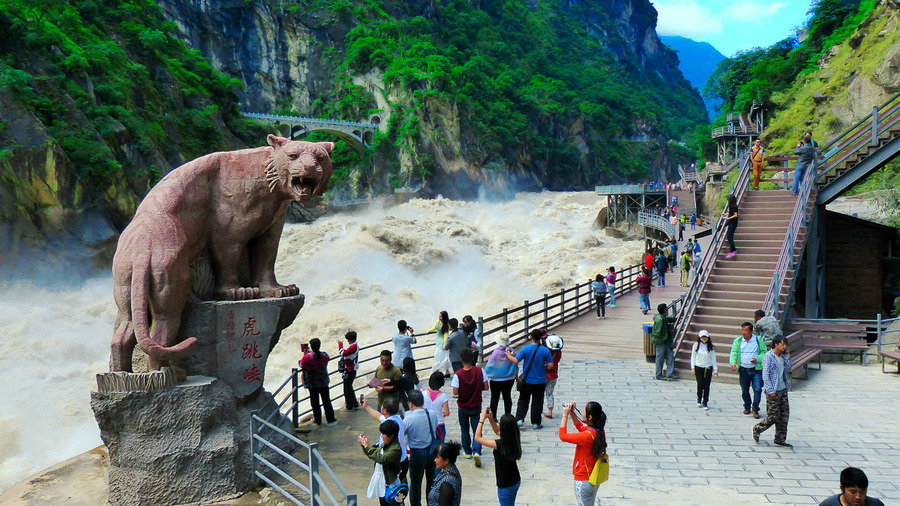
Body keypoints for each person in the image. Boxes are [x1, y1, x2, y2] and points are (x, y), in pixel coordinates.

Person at [559, 401, 607, 506]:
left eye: (584, 412)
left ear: (589, 417)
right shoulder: (599, 431)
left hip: (583, 480)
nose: (583, 414)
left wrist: (565, 415)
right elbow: (581, 427)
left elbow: (563, 436)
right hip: (593, 477)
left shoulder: (587, 437)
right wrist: (572, 413)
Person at [474, 409, 522, 506]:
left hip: (505, 485)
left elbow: (477, 438)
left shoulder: (499, 444)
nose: (498, 425)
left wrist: (481, 420)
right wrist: (491, 419)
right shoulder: (514, 437)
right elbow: (497, 431)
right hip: (515, 480)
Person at [508, 329, 553, 430]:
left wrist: (508, 355)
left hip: (527, 380)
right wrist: (543, 367)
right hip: (540, 380)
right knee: (537, 402)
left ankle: (519, 419)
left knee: (523, 400)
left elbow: (515, 361)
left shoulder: (525, 349)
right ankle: (536, 423)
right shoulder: (545, 350)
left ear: (531, 337)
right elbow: (550, 365)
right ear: (540, 338)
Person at [752, 335, 792, 447]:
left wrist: (788, 356)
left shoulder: (783, 357)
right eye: (782, 344)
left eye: (785, 344)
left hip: (782, 389)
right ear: (776, 344)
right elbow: (766, 375)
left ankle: (780, 438)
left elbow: (788, 370)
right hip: (773, 391)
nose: (784, 346)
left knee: (784, 415)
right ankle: (758, 428)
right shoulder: (769, 357)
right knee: (773, 416)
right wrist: (770, 390)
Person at [403, 390, 441, 506]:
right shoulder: (432, 414)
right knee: (431, 482)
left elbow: (401, 435)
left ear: (410, 404)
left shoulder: (408, 419)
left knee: (415, 484)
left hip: (417, 454)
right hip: (432, 452)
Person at [451, 348, 488, 465]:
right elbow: (486, 387)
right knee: (477, 428)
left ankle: (467, 451)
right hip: (476, 406)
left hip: (463, 407)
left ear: (461, 360)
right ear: (472, 359)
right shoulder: (480, 371)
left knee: (464, 429)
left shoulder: (458, 375)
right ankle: (477, 450)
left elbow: (455, 392)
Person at [362, 396, 410, 482]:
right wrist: (366, 406)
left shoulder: (390, 425)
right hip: (402, 460)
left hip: (394, 463)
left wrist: (366, 446)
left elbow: (382, 458)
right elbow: (378, 416)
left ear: (385, 411)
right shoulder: (397, 418)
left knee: (391, 488)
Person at [360, 419, 403, 506]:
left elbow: (382, 458)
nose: (382, 436)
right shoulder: (386, 445)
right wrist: (364, 446)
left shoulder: (395, 449)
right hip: (384, 484)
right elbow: (375, 455)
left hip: (391, 486)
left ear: (391, 436)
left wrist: (367, 447)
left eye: (384, 434)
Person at [729, 322, 767, 419]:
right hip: (743, 369)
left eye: (745, 330)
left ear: (751, 331)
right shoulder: (738, 341)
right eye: (742, 330)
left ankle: (755, 408)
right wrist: (733, 363)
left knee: (757, 389)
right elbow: (733, 353)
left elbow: (764, 352)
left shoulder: (758, 340)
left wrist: (757, 359)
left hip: (756, 369)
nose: (743, 332)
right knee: (744, 390)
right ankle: (747, 405)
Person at [299, 338, 337, 426]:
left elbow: (301, 364)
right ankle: (331, 419)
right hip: (323, 382)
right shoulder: (324, 355)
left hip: (312, 384)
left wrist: (306, 354)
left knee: (315, 403)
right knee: (326, 401)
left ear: (311, 346)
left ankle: (318, 420)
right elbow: (327, 359)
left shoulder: (307, 358)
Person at [484, 332, 517, 416]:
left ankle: (493, 416)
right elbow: (515, 364)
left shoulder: (496, 352)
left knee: (494, 398)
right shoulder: (512, 351)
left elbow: (490, 365)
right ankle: (508, 415)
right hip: (509, 378)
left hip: (496, 379)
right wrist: (515, 375)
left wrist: (485, 374)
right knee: (507, 397)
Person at [819, 467, 885, 506]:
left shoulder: (876, 504)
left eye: (862, 492)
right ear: (842, 488)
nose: (858, 497)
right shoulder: (828, 504)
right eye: (853, 492)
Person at [427, 442, 462, 506]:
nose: (435, 460)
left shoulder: (447, 482)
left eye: (437, 457)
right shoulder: (449, 471)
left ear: (446, 461)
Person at [690, 330, 718, 409]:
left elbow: (713, 359)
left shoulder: (711, 347)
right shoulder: (696, 345)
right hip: (698, 367)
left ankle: (705, 402)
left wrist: (715, 370)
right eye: (702, 337)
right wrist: (692, 367)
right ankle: (699, 397)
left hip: (708, 367)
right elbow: (693, 357)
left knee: (706, 385)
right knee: (700, 384)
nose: (704, 338)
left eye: (705, 337)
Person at [651, 303, 676, 381]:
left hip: (664, 341)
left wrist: (674, 318)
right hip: (661, 341)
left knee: (670, 356)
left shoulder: (662, 317)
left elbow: (667, 319)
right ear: (665, 310)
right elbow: (657, 332)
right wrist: (663, 337)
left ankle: (670, 373)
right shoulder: (660, 320)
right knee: (660, 358)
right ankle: (659, 374)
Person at [423, 371, 450, 442]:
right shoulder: (443, 396)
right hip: (439, 423)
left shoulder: (423, 393)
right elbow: (447, 413)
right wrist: (443, 413)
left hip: (426, 422)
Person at [337, 330, 360, 411]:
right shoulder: (354, 345)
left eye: (348, 340)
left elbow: (343, 353)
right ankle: (354, 404)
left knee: (347, 389)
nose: (348, 341)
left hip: (350, 369)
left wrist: (340, 345)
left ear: (352, 340)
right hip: (351, 369)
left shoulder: (353, 347)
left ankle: (350, 405)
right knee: (349, 388)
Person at [543, 334, 564, 419]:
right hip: (553, 375)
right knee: (550, 394)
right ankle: (550, 412)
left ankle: (538, 409)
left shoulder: (545, 351)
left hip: (543, 375)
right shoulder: (559, 353)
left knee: (540, 393)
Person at [427, 311, 453, 376]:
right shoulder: (438, 322)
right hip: (438, 342)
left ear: (444, 317)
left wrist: (444, 345)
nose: (439, 317)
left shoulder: (446, 325)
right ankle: (447, 372)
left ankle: (437, 371)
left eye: (441, 316)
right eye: (439, 316)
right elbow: (434, 328)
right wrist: (428, 331)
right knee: (442, 357)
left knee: (439, 356)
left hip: (442, 343)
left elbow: (446, 335)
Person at [724, 194, 739, 258]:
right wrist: (727, 214)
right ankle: (732, 250)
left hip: (732, 223)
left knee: (729, 237)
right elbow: (732, 213)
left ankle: (733, 250)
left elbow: (735, 215)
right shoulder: (734, 206)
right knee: (729, 237)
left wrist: (728, 218)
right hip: (733, 223)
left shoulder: (732, 206)